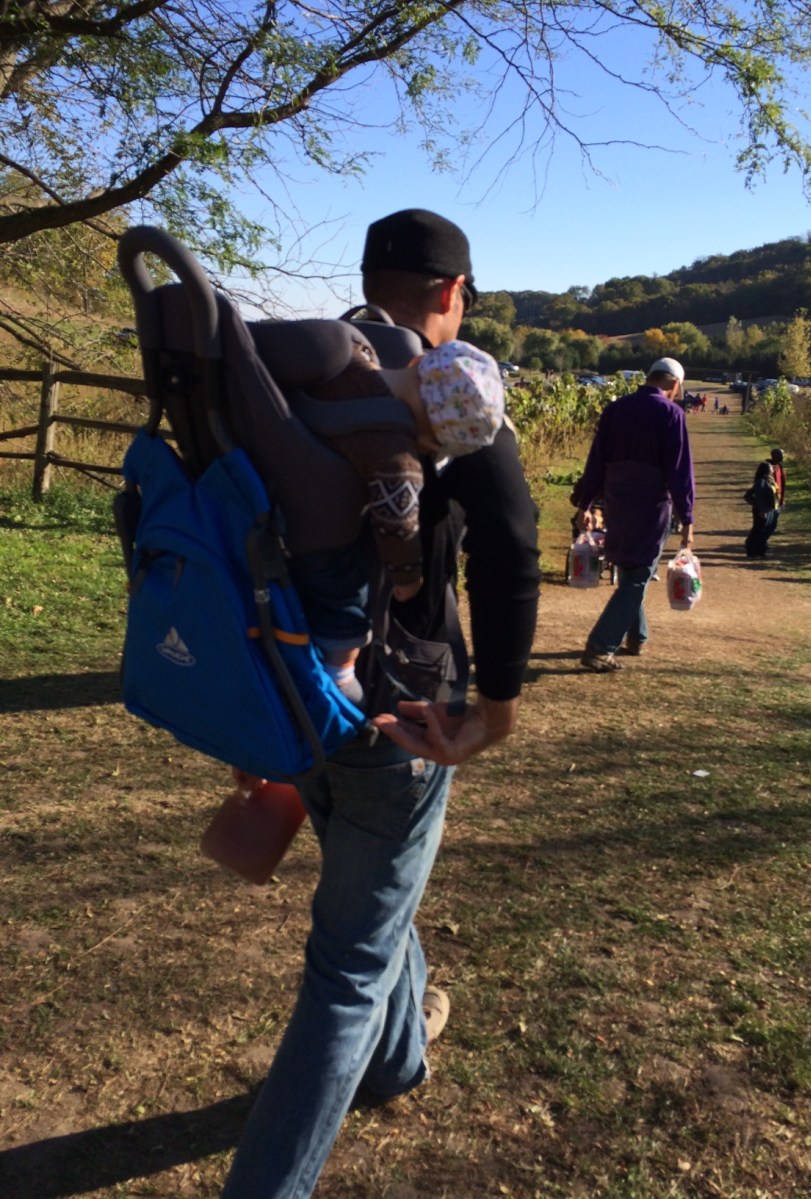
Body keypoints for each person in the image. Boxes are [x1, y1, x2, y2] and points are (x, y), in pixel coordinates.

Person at [221, 208, 540, 1199]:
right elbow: (511, 540)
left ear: (367, 282)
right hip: (401, 709)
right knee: (348, 967)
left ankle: (399, 1059)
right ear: (453, 292)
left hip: (285, 686)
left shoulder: (285, 377)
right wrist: (497, 706)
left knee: (372, 891)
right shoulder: (444, 384)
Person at [293, 338, 505, 703]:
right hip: (318, 541)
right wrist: (408, 578)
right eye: (435, 444)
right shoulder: (398, 458)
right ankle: (340, 672)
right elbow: (397, 526)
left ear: (416, 363)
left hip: (275, 484)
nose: (429, 450)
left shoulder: (346, 358)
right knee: (349, 592)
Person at [571, 357, 695, 673]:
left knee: (630, 570)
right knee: (639, 575)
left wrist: (586, 503)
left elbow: (596, 460)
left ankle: (637, 637)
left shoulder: (615, 409)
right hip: (651, 504)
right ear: (675, 384)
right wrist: (687, 518)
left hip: (616, 501)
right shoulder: (672, 414)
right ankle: (600, 646)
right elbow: (679, 471)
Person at [744, 459, 779, 558]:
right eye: (771, 467)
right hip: (763, 511)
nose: (773, 468)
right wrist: (761, 509)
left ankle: (760, 551)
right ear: (766, 470)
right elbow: (757, 497)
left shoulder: (769, 480)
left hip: (770, 510)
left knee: (765, 530)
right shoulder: (761, 482)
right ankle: (751, 550)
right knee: (758, 530)